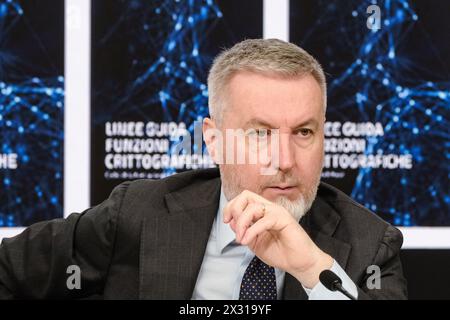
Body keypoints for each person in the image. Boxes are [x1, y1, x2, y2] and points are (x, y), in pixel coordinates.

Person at [0, 39, 407, 300]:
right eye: (260, 134)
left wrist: (311, 270)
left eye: (304, 132)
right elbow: (10, 270)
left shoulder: (370, 243)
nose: (284, 160)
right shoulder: (139, 213)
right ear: (213, 140)